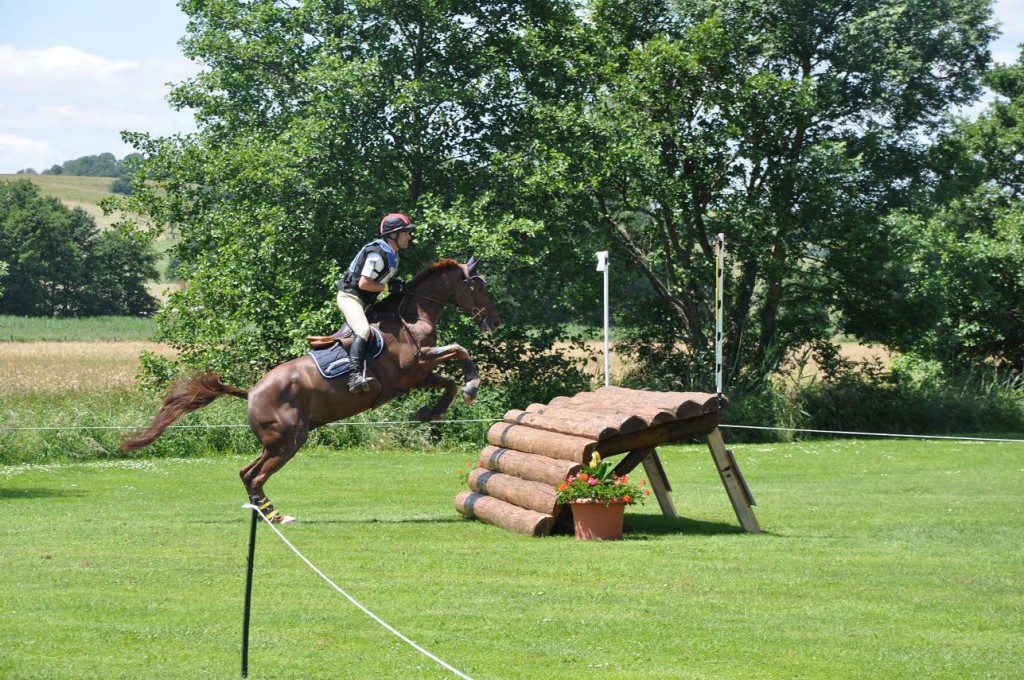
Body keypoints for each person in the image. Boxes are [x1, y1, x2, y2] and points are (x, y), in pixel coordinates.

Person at [335, 213, 416, 393]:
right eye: (406, 233)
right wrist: (388, 288)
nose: (409, 237)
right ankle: (354, 376)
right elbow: (364, 283)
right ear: (393, 234)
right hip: (350, 298)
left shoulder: (391, 253)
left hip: (362, 301)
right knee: (363, 330)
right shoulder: (378, 254)